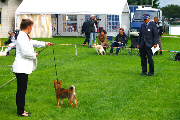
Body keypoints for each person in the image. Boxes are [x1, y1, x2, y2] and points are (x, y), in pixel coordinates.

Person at [12, 19, 53, 117]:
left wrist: (44, 43)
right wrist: (34, 54)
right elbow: (26, 53)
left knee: (23, 90)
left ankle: (21, 110)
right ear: (28, 27)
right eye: (32, 27)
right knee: (21, 91)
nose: (32, 29)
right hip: (21, 68)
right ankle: (20, 112)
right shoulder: (21, 37)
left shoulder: (25, 36)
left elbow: (32, 42)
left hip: (23, 68)